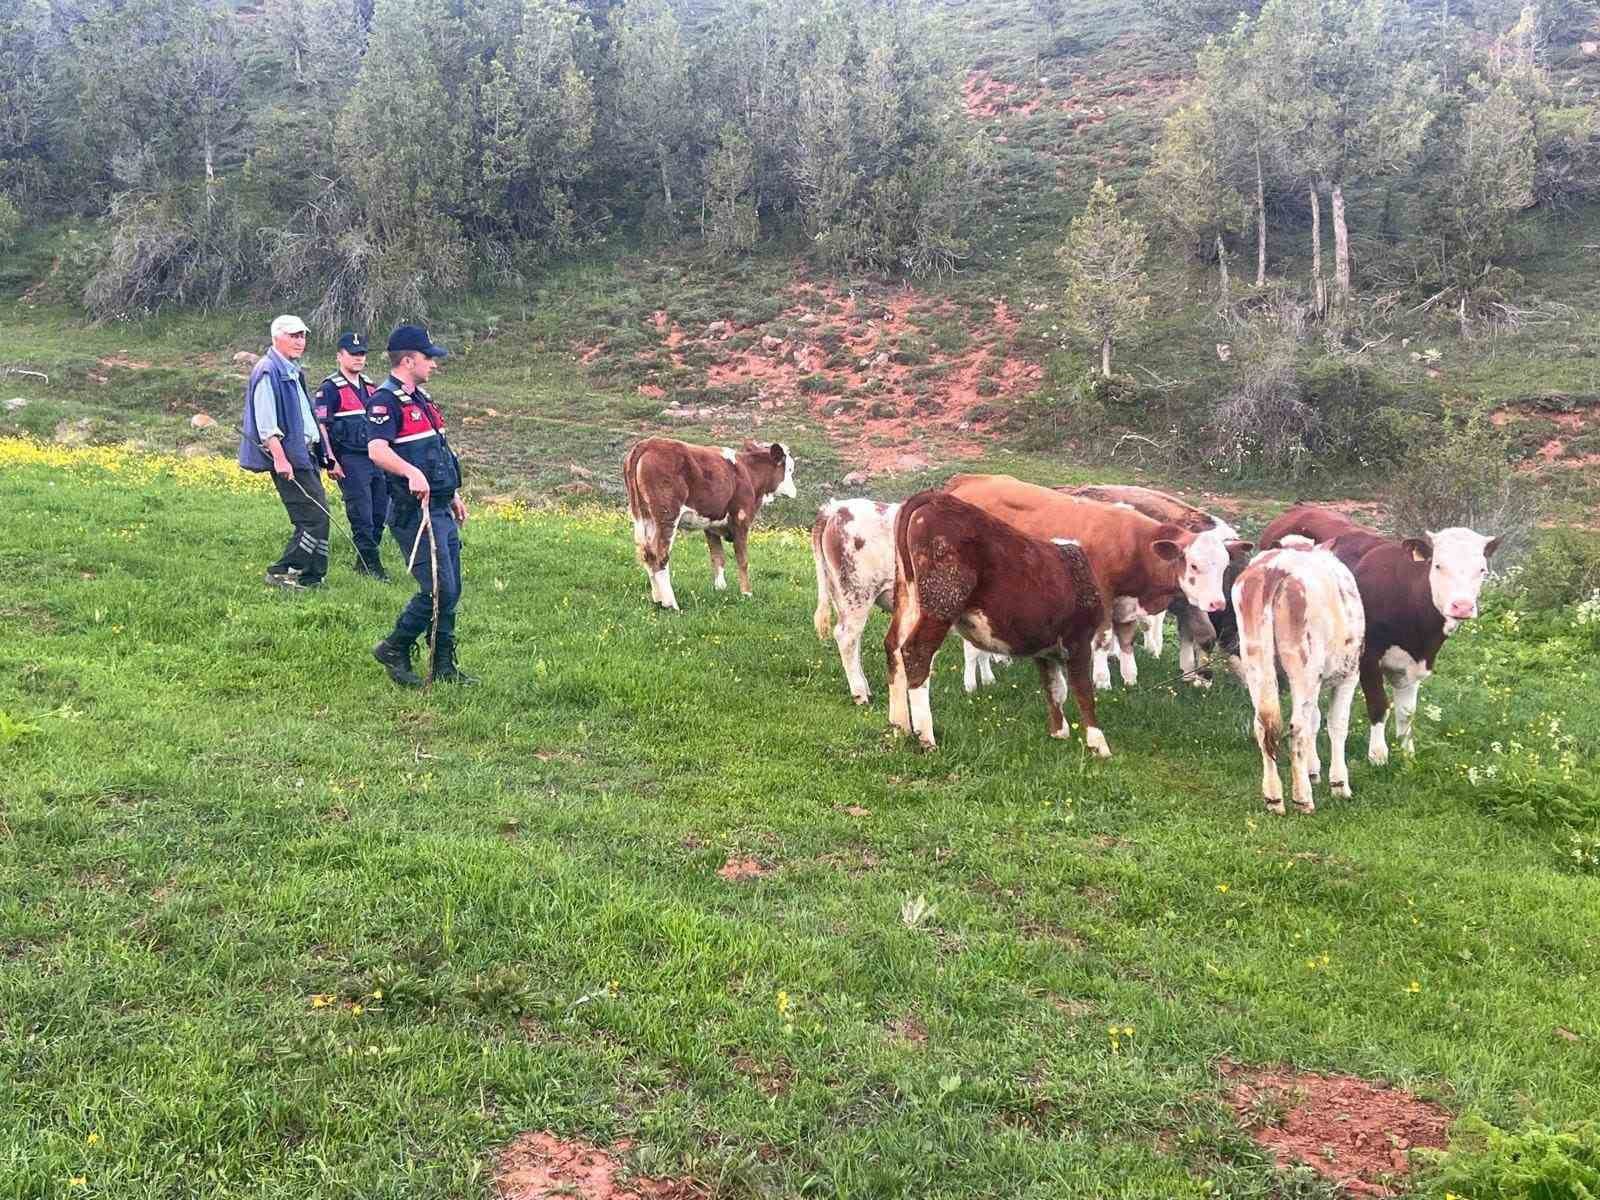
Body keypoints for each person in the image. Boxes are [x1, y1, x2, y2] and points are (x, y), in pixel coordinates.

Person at [366, 324, 476, 687]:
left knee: (452, 588)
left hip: (440, 507)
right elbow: (377, 450)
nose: (434, 363)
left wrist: (452, 493)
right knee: (436, 588)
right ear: (408, 360)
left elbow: (438, 452)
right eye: (429, 357)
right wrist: (410, 472)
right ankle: (394, 646)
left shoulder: (423, 400)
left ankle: (443, 665)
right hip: (413, 512)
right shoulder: (384, 401)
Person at [238, 314, 338, 589]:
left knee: (318, 514)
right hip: (289, 458)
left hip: (304, 454)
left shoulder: (292, 370)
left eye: (302, 335)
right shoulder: (267, 370)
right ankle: (285, 571)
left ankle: (313, 576)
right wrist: (281, 459)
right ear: (276, 337)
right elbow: (266, 424)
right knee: (313, 516)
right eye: (293, 335)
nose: (300, 341)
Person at [315, 331, 390, 580]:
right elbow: (322, 426)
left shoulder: (370, 387)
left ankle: (363, 562)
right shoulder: (330, 388)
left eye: (362, 354)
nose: (359, 358)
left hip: (374, 457)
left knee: (380, 513)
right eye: (353, 354)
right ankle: (372, 566)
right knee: (362, 514)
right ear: (339, 356)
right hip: (350, 458)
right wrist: (330, 460)